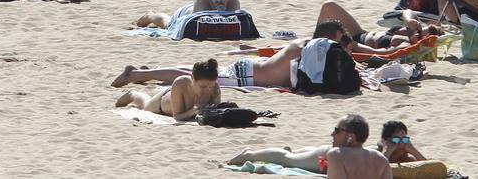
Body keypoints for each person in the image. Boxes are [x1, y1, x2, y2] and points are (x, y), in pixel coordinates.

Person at [227, 114, 391, 178]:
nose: (332, 134)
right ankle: (248, 155)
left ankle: (250, 153)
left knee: (289, 157)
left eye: (336, 130)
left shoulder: (337, 155)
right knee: (289, 159)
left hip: (327, 152)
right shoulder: (381, 159)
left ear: (350, 137)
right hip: (326, 152)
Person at [114, 58, 220, 121]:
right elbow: (177, 116)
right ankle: (133, 94)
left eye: (210, 86)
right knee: (145, 105)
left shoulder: (215, 89)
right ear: (192, 78)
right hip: (162, 104)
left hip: (174, 101)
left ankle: (142, 74)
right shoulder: (181, 83)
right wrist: (193, 111)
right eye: (203, 86)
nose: (207, 90)